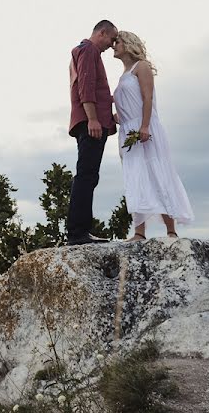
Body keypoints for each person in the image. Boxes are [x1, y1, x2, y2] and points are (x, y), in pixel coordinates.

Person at [112, 31, 193, 241]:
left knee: (157, 173)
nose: (114, 45)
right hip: (127, 132)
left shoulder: (142, 67)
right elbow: (126, 108)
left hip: (145, 128)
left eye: (117, 42)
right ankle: (139, 231)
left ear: (128, 44)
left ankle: (171, 230)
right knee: (134, 178)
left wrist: (145, 125)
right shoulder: (122, 76)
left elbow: (147, 98)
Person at [67, 20, 119, 246]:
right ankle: (78, 232)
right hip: (90, 123)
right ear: (102, 32)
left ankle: (80, 230)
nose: (112, 45)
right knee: (86, 175)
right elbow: (85, 87)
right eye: (112, 39)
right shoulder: (89, 50)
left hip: (89, 121)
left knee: (88, 175)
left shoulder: (82, 50)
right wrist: (94, 119)